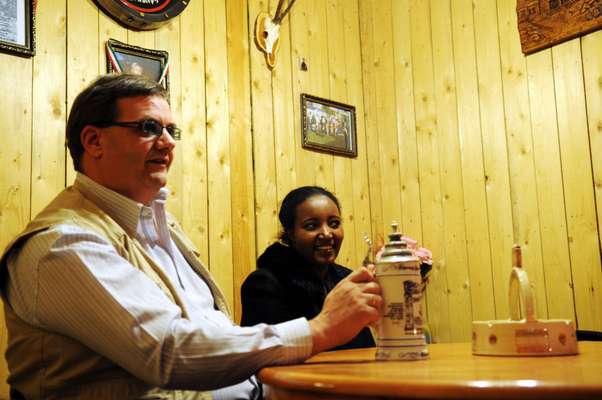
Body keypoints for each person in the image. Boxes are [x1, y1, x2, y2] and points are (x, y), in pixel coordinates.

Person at [0, 74, 383, 400]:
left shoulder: (159, 224)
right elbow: (170, 353)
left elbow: (214, 333)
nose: (168, 143)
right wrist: (318, 328)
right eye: (149, 128)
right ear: (94, 141)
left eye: (171, 130)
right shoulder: (64, 243)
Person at [241, 186, 375, 351]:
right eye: (312, 226)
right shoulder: (265, 284)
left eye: (334, 224)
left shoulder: (345, 278)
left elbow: (365, 348)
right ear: (290, 233)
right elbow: (266, 353)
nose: (326, 233)